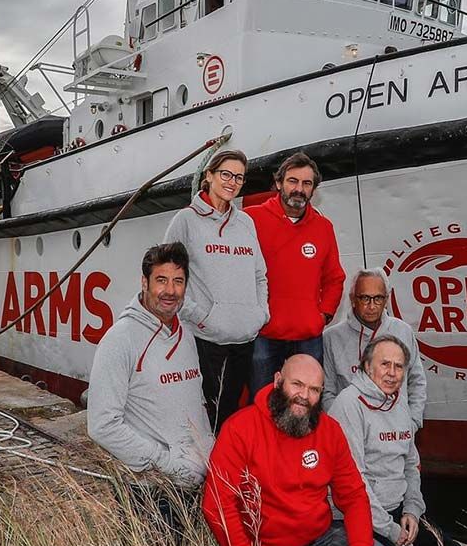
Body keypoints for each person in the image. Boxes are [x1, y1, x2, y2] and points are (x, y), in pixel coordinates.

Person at [203, 355, 372, 546]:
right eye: (297, 384)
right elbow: (217, 505)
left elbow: (354, 495)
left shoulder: (330, 430)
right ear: (277, 381)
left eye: (314, 389)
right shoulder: (239, 429)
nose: (304, 395)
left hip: (324, 538)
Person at [87, 242, 213, 489]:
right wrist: (166, 462)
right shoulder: (120, 340)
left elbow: (196, 403)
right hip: (151, 488)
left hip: (197, 482)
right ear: (144, 283)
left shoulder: (185, 336)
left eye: (178, 281)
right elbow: (102, 425)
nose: (170, 290)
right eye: (161, 280)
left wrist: (208, 450)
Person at [329, 337, 466, 546]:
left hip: (399, 510)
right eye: (385, 364)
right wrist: (391, 529)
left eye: (399, 366)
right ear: (367, 366)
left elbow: (411, 464)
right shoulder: (348, 405)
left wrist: (412, 509)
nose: (392, 373)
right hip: (359, 516)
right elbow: (354, 482)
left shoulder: (399, 401)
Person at [164, 149, 268, 430]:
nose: (232, 182)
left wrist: (260, 313)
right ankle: (204, 469)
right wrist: (200, 316)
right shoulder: (186, 221)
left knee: (231, 412)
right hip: (206, 337)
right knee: (207, 411)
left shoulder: (245, 223)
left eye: (239, 177)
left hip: (244, 336)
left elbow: (260, 274)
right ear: (208, 176)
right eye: (225, 174)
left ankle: (223, 468)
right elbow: (168, 276)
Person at [245, 152, 345, 397]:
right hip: (265, 336)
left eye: (307, 183)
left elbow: (334, 278)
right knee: (263, 403)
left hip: (309, 338)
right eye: (293, 181)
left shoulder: (323, 227)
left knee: (306, 404)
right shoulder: (251, 219)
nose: (299, 189)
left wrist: (322, 315)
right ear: (279, 183)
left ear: (313, 190)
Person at [321, 269, 427, 428]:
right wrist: (342, 427)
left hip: (398, 431)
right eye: (364, 298)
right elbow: (327, 393)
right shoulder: (331, 337)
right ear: (352, 299)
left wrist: (412, 422)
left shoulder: (403, 331)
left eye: (378, 298)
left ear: (387, 299)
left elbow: (417, 381)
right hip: (351, 432)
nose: (371, 306)